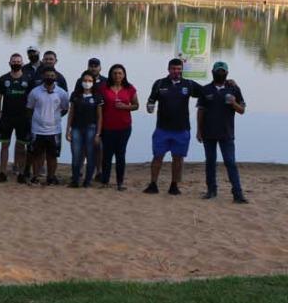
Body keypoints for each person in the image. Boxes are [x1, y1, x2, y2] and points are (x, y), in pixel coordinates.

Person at [144, 58, 198, 195]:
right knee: (157, 157)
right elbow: (151, 100)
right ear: (168, 69)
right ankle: (153, 184)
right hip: (162, 128)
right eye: (174, 69)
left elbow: (205, 92)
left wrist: (227, 83)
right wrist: (149, 107)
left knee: (178, 159)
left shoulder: (189, 84)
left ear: (182, 70)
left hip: (182, 129)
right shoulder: (160, 83)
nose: (176, 71)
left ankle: (174, 185)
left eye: (179, 69)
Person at [196, 61, 248, 203]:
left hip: (227, 133)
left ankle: (238, 194)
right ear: (212, 72)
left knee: (230, 162)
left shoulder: (234, 89)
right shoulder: (205, 89)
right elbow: (201, 111)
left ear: (227, 73)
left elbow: (242, 110)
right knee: (210, 162)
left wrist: (233, 103)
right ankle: (211, 190)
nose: (220, 73)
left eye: (223, 71)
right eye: (218, 71)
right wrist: (199, 130)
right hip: (208, 132)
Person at [25, 69, 69, 186]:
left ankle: (51, 177)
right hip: (37, 130)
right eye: (47, 75)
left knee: (52, 155)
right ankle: (35, 177)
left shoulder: (62, 93)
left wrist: (55, 117)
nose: (50, 77)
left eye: (52, 75)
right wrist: (36, 120)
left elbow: (65, 108)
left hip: (54, 130)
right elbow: (29, 109)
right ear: (43, 77)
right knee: (37, 155)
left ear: (55, 77)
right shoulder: (35, 92)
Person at [97, 63, 138, 190]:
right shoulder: (104, 88)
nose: (117, 75)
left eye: (120, 73)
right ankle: (105, 181)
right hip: (107, 127)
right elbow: (99, 107)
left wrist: (125, 107)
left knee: (120, 155)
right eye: (115, 73)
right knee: (107, 155)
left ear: (124, 75)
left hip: (124, 127)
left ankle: (120, 183)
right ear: (110, 74)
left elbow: (136, 105)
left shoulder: (129, 88)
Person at [0, 53, 33, 183]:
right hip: (7, 117)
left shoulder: (28, 79)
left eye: (18, 61)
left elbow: (33, 99)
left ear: (22, 63)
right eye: (14, 61)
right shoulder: (3, 79)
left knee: (21, 147)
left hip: (23, 118)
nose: (16, 63)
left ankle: (21, 173)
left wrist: (30, 116)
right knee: (4, 145)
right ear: (9, 63)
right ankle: (2, 172)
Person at [65, 71, 103, 188]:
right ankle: (75, 180)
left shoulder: (97, 96)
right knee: (76, 154)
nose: (87, 83)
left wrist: (98, 133)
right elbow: (71, 113)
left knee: (91, 155)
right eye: (85, 81)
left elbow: (99, 117)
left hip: (91, 128)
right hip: (76, 128)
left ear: (93, 82)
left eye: (90, 81)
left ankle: (88, 181)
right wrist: (68, 130)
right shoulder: (75, 95)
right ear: (81, 82)